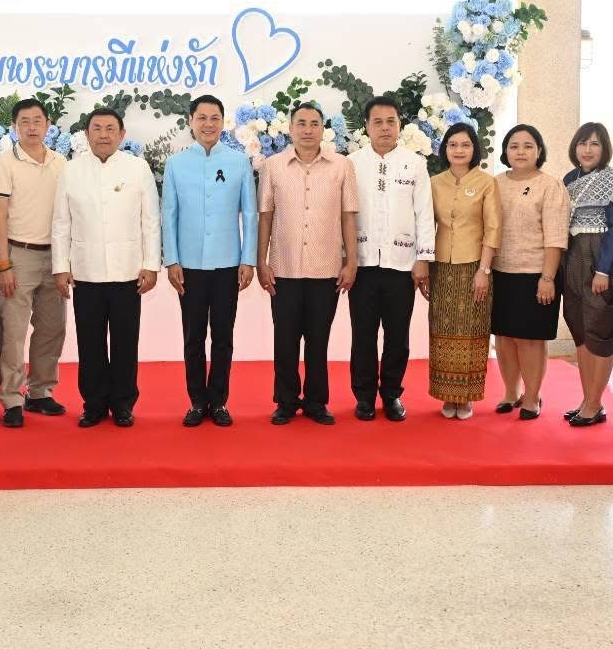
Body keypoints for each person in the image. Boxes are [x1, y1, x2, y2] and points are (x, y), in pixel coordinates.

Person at [52, 108, 161, 427]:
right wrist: (61, 266)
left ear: (122, 134)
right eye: (96, 128)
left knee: (126, 342)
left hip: (129, 272)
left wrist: (150, 264)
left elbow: (150, 221)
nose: (103, 134)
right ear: (86, 135)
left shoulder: (137, 168)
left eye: (110, 128)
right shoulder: (71, 170)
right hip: (85, 272)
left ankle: (123, 404)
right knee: (90, 343)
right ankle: (94, 404)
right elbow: (61, 222)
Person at [257, 102, 359, 425]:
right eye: (301, 123)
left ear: (323, 129)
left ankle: (316, 402)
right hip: (283, 270)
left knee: (318, 340)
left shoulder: (342, 166)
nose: (307, 130)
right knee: (284, 340)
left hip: (325, 270)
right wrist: (262, 260)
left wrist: (351, 261)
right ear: (290, 128)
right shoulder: (272, 167)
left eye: (314, 123)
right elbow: (265, 217)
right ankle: (285, 401)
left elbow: (348, 217)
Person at [161, 94, 256, 427]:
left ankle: (219, 401)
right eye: (202, 118)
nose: (208, 124)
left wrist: (249, 259)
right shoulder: (176, 164)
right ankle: (196, 401)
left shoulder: (238, 161)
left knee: (223, 336)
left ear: (222, 122)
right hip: (188, 266)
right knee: (193, 337)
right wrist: (171, 259)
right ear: (191, 121)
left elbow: (250, 213)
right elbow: (168, 214)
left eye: (215, 118)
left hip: (228, 263)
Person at [347, 96, 435, 421]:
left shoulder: (415, 163)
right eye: (378, 122)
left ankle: (392, 394)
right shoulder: (351, 163)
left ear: (400, 125)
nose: (385, 128)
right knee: (364, 336)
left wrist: (423, 258)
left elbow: (424, 213)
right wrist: (346, 260)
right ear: (367, 127)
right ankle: (365, 397)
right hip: (363, 265)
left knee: (398, 337)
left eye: (391, 122)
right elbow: (344, 215)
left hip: (402, 265)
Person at [0, 98, 69, 428]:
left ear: (48, 126)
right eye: (25, 121)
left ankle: (40, 392)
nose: (32, 127)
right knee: (14, 331)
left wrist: (68, 260)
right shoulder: (4, 163)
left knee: (52, 329)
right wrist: (4, 264)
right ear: (15, 127)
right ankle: (11, 398)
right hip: (18, 254)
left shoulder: (61, 163)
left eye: (38, 121)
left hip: (56, 255)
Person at [490, 124, 569, 420]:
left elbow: (556, 237)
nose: (520, 151)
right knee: (504, 337)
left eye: (527, 145)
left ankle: (532, 396)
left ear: (538, 150)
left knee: (530, 339)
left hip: (536, 274)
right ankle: (511, 392)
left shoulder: (550, 185)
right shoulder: (495, 183)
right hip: (500, 271)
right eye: (514, 145)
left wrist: (547, 278)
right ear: (505, 151)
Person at [559, 123, 613, 427]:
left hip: (602, 260)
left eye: (595, 144)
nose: (587, 150)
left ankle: (595, 403)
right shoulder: (569, 179)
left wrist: (603, 269)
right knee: (580, 332)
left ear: (605, 149)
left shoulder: (612, 179)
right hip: (572, 259)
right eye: (582, 144)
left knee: (600, 333)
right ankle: (587, 399)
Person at [427, 123, 501, 419]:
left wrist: (484, 269)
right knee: (442, 329)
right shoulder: (434, 182)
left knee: (472, 331)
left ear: (474, 149)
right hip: (441, 267)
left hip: (475, 266)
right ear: (445, 149)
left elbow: (493, 228)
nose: (459, 150)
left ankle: (466, 396)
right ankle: (447, 395)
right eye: (453, 144)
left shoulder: (486, 182)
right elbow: (425, 225)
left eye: (465, 145)